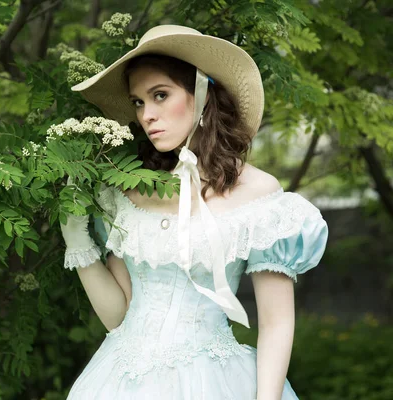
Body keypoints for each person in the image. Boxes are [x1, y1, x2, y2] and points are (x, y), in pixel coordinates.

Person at [60, 25, 329, 400]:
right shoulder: (130, 187)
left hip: (213, 382)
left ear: (202, 93)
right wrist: (77, 240)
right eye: (138, 102)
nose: (147, 115)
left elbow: (276, 322)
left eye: (160, 95)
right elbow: (118, 317)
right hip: (117, 380)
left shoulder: (259, 194)